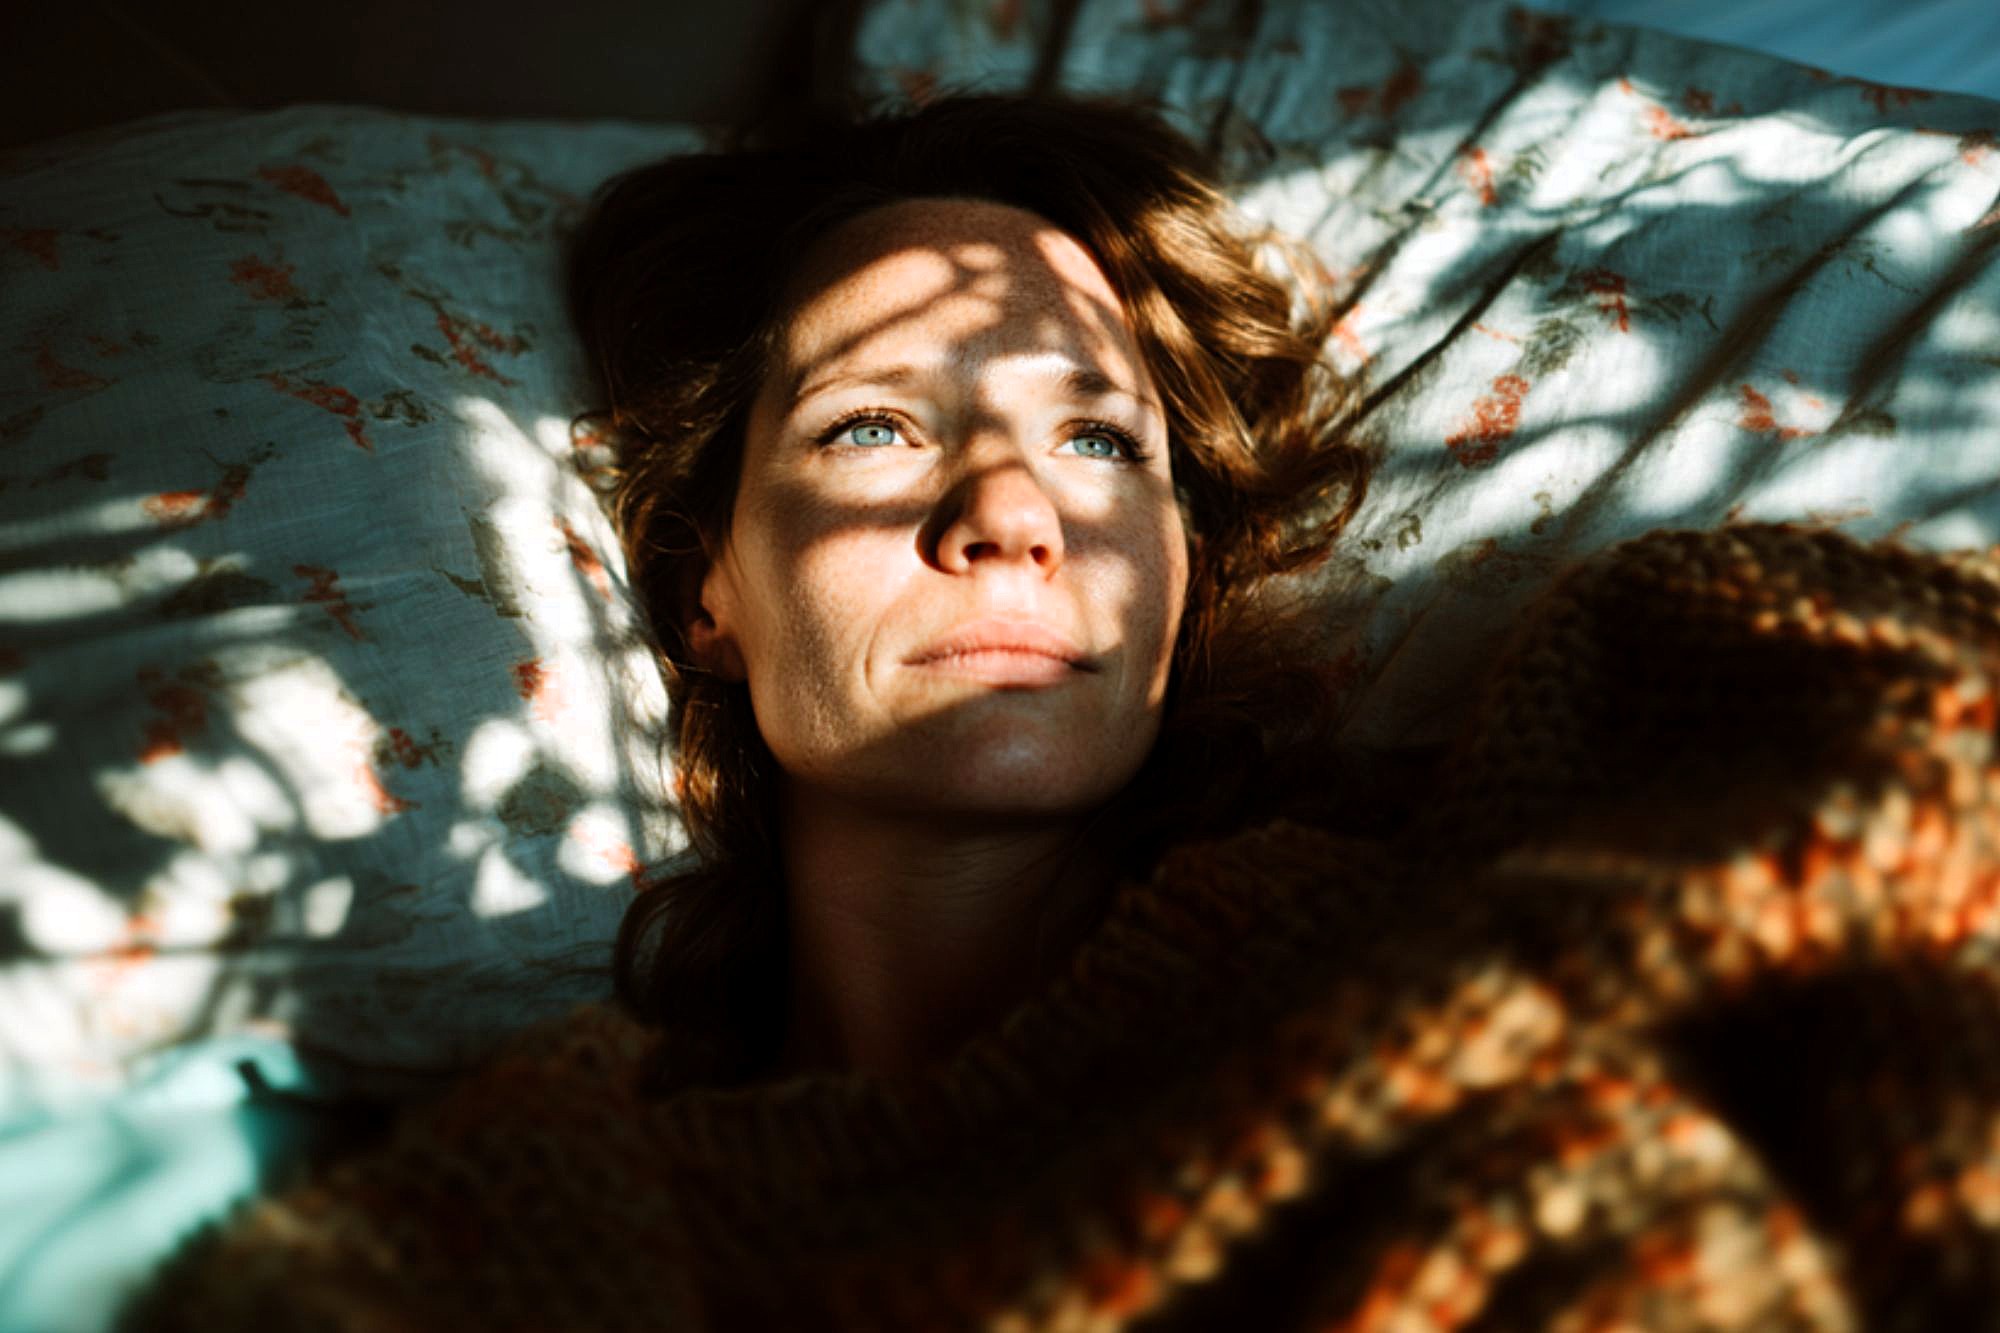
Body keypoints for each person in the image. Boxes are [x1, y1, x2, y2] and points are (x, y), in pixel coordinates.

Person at [124, 90, 2000, 1332]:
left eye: (1099, 441)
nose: (1007, 511)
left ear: (1184, 583)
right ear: (709, 585)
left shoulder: (1521, 843)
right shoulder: (533, 1229)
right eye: (875, 426)